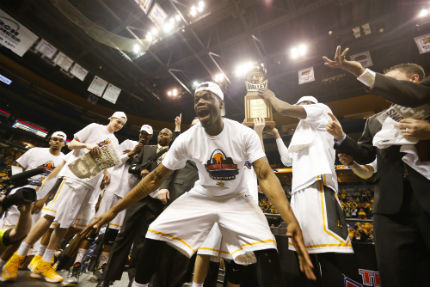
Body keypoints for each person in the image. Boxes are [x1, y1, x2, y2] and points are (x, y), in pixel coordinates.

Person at [84, 81, 316, 287]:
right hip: (202, 196)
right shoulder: (187, 138)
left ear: (221, 103)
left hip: (237, 198)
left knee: (267, 251)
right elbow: (155, 177)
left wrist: (289, 219)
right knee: (154, 235)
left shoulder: (243, 134)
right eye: (196, 99)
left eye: (207, 97)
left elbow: (265, 175)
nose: (200, 102)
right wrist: (114, 210)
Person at [323, 49, 429, 286]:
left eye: (392, 82)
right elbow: (366, 153)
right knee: (394, 273)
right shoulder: (376, 120)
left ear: (414, 81)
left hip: (426, 197)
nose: (386, 88)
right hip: (390, 206)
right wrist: (342, 139)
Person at [1, 111, 126, 283]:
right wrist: (87, 146)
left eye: (122, 124)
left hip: (91, 184)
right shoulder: (94, 128)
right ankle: (17, 258)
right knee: (51, 217)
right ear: (111, 118)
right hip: (73, 177)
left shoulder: (115, 142)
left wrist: (106, 173)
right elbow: (72, 144)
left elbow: (106, 160)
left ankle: (42, 261)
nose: (119, 125)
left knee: (68, 224)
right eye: (117, 121)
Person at [259, 90, 353, 285]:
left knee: (327, 251)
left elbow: (284, 108)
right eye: (303, 103)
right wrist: (276, 134)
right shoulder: (302, 134)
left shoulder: (322, 112)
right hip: (299, 193)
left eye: (307, 103)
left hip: (317, 185)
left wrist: (269, 96)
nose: (306, 106)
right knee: (303, 254)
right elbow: (287, 161)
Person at [61, 124, 154, 286]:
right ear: (139, 133)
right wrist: (131, 153)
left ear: (151, 137)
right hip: (113, 187)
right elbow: (111, 162)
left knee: (113, 234)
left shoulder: (151, 151)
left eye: (147, 135)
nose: (143, 136)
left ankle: (102, 267)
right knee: (95, 226)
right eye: (142, 133)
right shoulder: (127, 143)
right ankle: (76, 266)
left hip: (128, 194)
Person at [96, 127, 175, 287]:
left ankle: (134, 281)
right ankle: (107, 278)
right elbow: (133, 167)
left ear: (171, 138)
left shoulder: (174, 154)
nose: (162, 135)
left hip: (156, 202)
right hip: (138, 196)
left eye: (166, 133)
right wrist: (142, 170)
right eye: (160, 133)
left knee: (142, 243)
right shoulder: (147, 149)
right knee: (123, 237)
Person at [0, 131, 67, 271]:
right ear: (50, 141)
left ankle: (9, 266)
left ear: (64, 144)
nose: (57, 141)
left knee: (26, 236)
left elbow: (59, 184)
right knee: (10, 232)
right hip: (20, 196)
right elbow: (17, 168)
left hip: (41, 203)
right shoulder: (35, 151)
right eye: (54, 139)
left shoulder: (64, 161)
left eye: (60, 140)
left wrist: (43, 200)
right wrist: (11, 190)